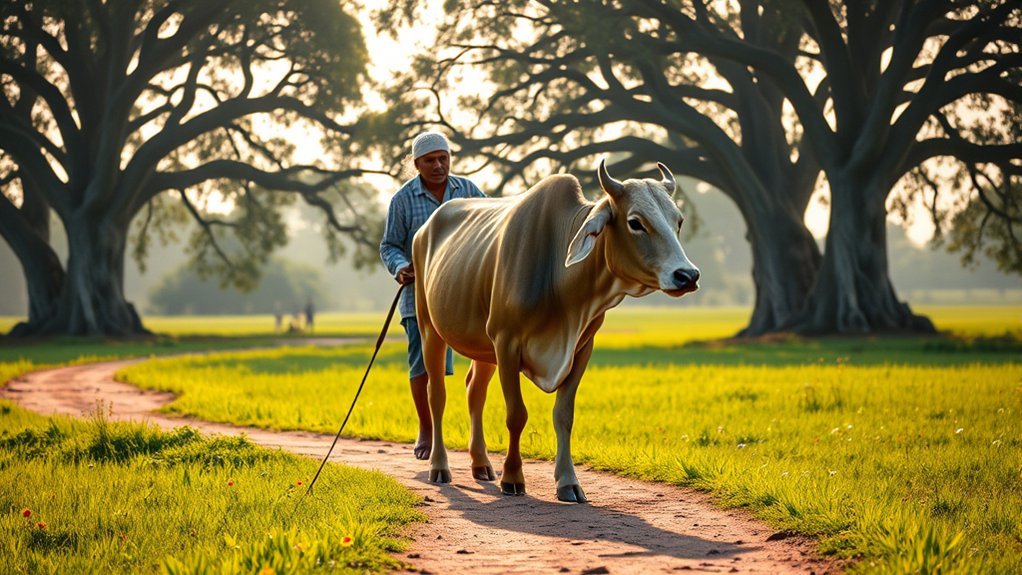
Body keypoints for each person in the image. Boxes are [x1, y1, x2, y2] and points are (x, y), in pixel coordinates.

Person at [379, 131, 488, 460]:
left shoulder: (468, 190)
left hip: (469, 293)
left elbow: (495, 227)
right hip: (421, 293)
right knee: (423, 367)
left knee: (486, 358)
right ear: (416, 165)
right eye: (430, 161)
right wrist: (401, 267)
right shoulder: (402, 199)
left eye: (444, 158)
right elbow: (389, 245)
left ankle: (475, 434)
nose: (439, 165)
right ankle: (426, 426)